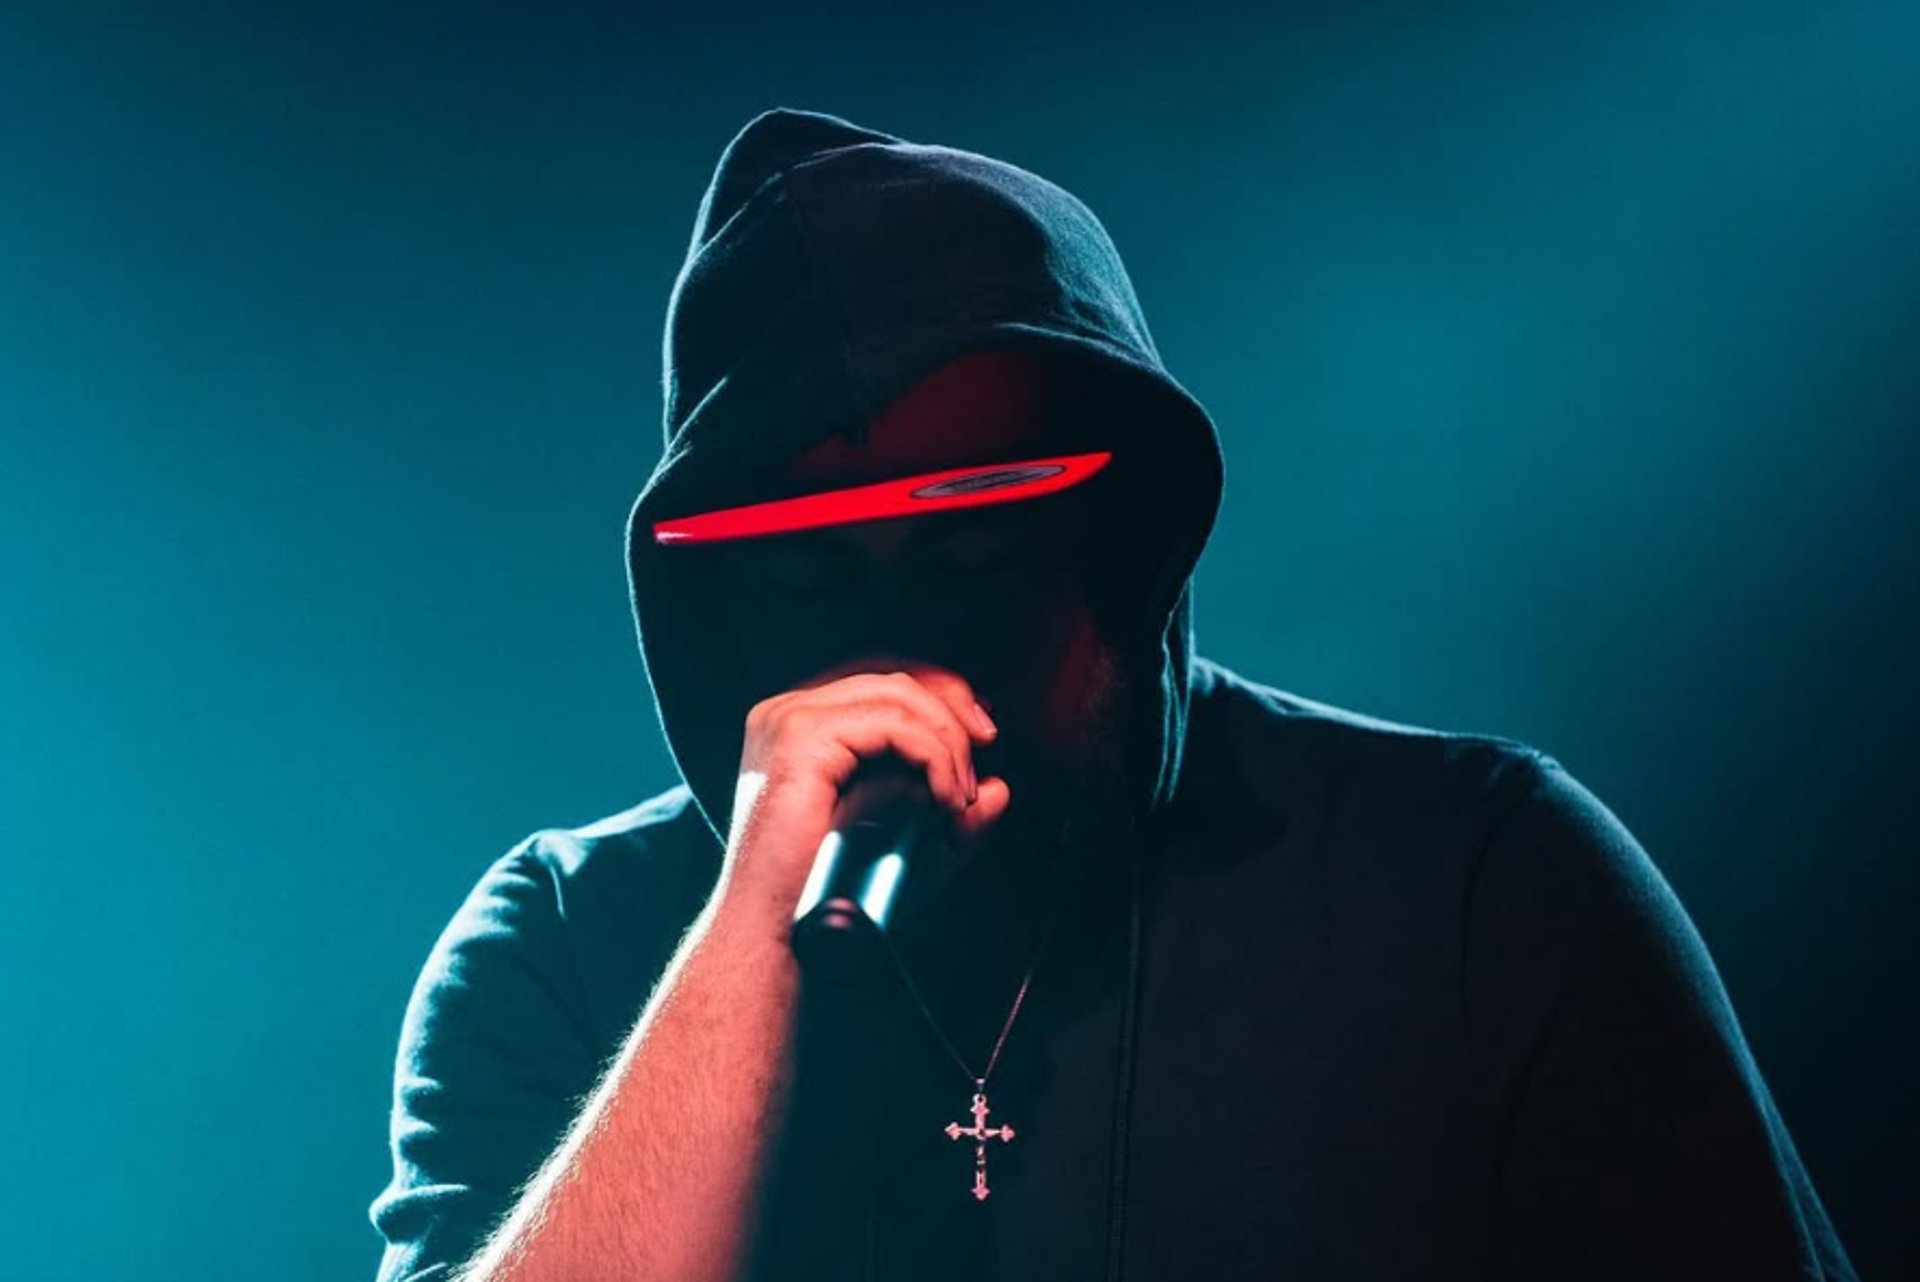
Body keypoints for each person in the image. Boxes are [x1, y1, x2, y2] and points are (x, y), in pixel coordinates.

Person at [367, 107, 1859, 1282]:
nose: (899, 652)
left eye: (974, 548)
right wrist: (756, 923)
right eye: (815, 581)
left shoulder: (1477, 882)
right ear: (713, 614)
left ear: (1129, 531)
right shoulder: (563, 946)